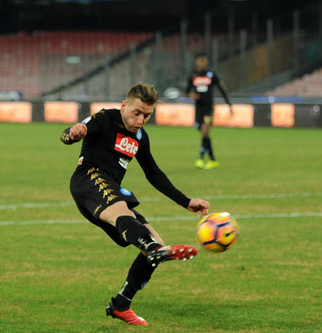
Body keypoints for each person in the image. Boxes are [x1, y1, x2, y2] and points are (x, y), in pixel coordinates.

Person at [60, 82, 210, 326]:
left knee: (155, 242)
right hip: (88, 179)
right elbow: (66, 135)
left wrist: (186, 202)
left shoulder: (140, 137)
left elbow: (154, 174)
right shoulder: (104, 118)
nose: (140, 120)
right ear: (123, 106)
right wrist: (73, 134)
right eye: (137, 113)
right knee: (123, 213)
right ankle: (152, 249)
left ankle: (121, 304)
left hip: (112, 189)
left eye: (147, 115)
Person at [185, 53, 232, 169]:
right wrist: (192, 95)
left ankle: (200, 158)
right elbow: (186, 91)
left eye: (203, 61)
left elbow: (222, 89)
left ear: (206, 62)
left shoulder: (211, 75)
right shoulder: (193, 75)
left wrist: (228, 104)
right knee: (203, 133)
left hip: (208, 107)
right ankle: (212, 159)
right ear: (197, 62)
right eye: (199, 61)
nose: (201, 63)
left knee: (205, 131)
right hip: (198, 108)